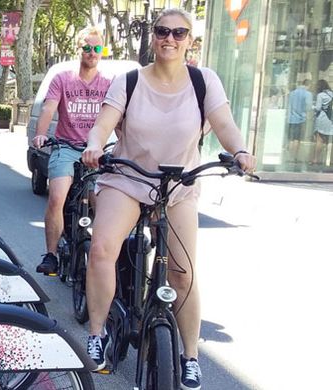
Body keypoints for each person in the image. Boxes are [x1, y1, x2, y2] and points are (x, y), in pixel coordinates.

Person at [80, 9, 256, 390]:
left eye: (179, 33)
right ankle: (97, 334)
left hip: (180, 184)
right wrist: (94, 146)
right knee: (102, 249)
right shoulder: (129, 81)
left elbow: (224, 124)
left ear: (190, 40)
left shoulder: (203, 81)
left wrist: (240, 150)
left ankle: (190, 356)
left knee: (183, 273)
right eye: (162, 31)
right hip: (128, 178)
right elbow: (103, 125)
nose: (170, 39)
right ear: (153, 36)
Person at [31, 27, 112, 276]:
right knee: (57, 197)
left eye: (96, 48)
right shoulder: (62, 79)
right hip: (66, 147)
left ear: (102, 51)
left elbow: (119, 118)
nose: (91, 52)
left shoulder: (109, 84)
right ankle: (51, 254)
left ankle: (103, 254)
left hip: (96, 151)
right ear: (79, 50)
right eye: (86, 47)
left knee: (105, 204)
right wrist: (40, 134)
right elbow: (49, 108)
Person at [287, 79, 313, 164]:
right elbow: (308, 107)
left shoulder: (292, 93)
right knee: (296, 139)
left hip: (291, 118)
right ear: (308, 85)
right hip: (300, 119)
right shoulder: (308, 94)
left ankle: (289, 157)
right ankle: (294, 158)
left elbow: (289, 105)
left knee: (291, 139)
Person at [311, 79, 333, 167]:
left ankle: (315, 159)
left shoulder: (320, 95)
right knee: (329, 141)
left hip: (322, 119)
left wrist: (312, 106)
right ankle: (328, 160)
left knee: (319, 140)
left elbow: (318, 108)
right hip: (331, 119)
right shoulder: (332, 94)